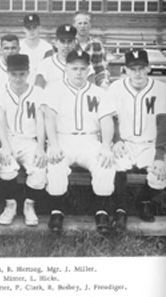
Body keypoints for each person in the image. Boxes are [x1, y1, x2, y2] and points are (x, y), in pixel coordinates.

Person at [43, 50, 116, 233]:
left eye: (82, 69)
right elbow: (49, 119)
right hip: (62, 138)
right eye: (74, 68)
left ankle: (101, 211)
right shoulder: (54, 89)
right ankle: (56, 211)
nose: (78, 72)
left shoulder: (99, 92)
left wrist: (106, 146)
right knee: (55, 165)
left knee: (105, 163)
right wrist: (53, 145)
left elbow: (106, 120)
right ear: (66, 68)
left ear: (88, 70)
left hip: (89, 139)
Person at [109, 50, 166, 229]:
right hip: (124, 142)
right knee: (115, 166)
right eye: (133, 69)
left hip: (150, 144)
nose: (138, 73)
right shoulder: (116, 87)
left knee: (161, 176)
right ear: (126, 70)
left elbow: (163, 123)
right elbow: (111, 118)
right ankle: (120, 209)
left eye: (141, 68)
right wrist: (116, 139)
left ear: (148, 68)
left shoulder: (160, 88)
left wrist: (159, 155)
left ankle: (143, 200)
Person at [0, 54, 46, 226]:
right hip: (9, 139)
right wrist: (5, 146)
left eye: (22, 74)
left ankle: (29, 205)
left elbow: (40, 121)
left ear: (28, 73)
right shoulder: (0, 91)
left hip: (30, 140)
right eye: (14, 74)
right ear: (8, 73)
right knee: (6, 167)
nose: (18, 78)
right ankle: (11, 205)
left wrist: (40, 146)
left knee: (39, 169)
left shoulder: (37, 93)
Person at [35, 24, 94, 89]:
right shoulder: (46, 64)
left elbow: (92, 90)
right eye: (62, 41)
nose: (66, 45)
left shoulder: (84, 64)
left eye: (69, 41)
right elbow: (38, 91)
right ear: (56, 42)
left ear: (74, 43)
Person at [73, 10, 110, 89]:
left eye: (85, 23)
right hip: (73, 84)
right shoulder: (70, 45)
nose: (82, 26)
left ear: (90, 25)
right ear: (74, 25)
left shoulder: (97, 45)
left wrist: (104, 83)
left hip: (91, 84)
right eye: (79, 23)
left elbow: (101, 69)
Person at [19, 13, 52, 82]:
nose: (31, 31)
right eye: (28, 28)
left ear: (40, 27)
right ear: (24, 29)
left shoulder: (47, 48)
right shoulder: (19, 47)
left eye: (34, 27)